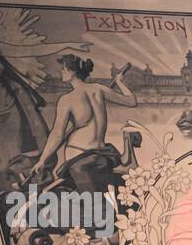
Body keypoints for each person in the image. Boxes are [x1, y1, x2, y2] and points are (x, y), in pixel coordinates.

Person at [0, 4, 87, 194]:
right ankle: (0, 196)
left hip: (8, 109)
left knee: (13, 156)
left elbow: (31, 49)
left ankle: (22, 195)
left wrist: (66, 45)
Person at [32, 54, 137, 195]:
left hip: (80, 157)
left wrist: (42, 160)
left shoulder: (66, 100)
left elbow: (57, 134)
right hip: (102, 154)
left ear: (72, 72)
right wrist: (119, 82)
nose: (60, 72)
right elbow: (131, 101)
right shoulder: (99, 89)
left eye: (63, 69)